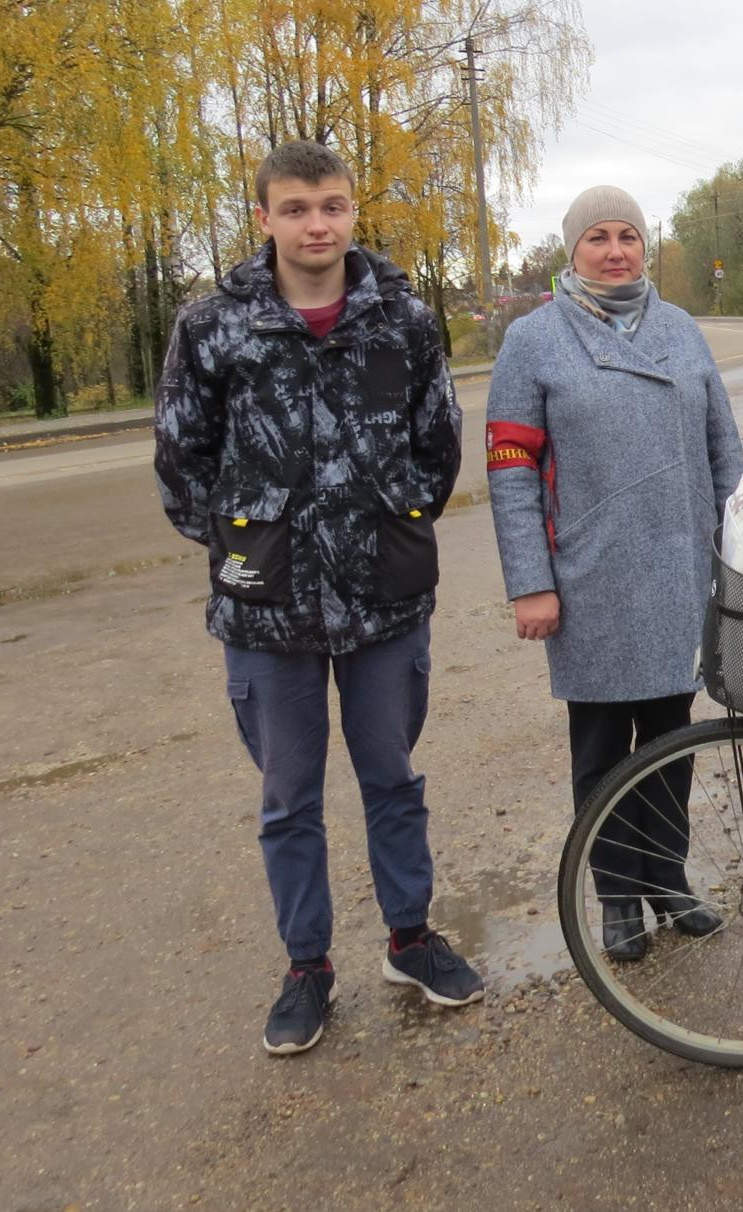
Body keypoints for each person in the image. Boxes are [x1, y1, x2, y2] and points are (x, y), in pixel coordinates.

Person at [155, 139, 482, 1056]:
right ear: (264, 218)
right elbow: (182, 460)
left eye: (332, 206)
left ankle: (410, 938)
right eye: (296, 209)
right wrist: (242, 540)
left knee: (393, 778)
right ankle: (308, 967)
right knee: (288, 796)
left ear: (351, 214)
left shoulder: (404, 321)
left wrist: (391, 518)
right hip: (268, 612)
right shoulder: (215, 327)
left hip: (384, 599)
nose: (316, 225)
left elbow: (436, 444)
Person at [486, 186, 743, 963]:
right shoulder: (533, 341)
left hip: (677, 569)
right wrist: (531, 580)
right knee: (601, 751)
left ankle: (667, 881)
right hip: (590, 579)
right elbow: (510, 473)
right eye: (597, 236)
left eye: (627, 234)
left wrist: (742, 543)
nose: (614, 250)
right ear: (572, 250)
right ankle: (616, 898)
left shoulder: (679, 330)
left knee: (673, 740)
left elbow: (722, 447)